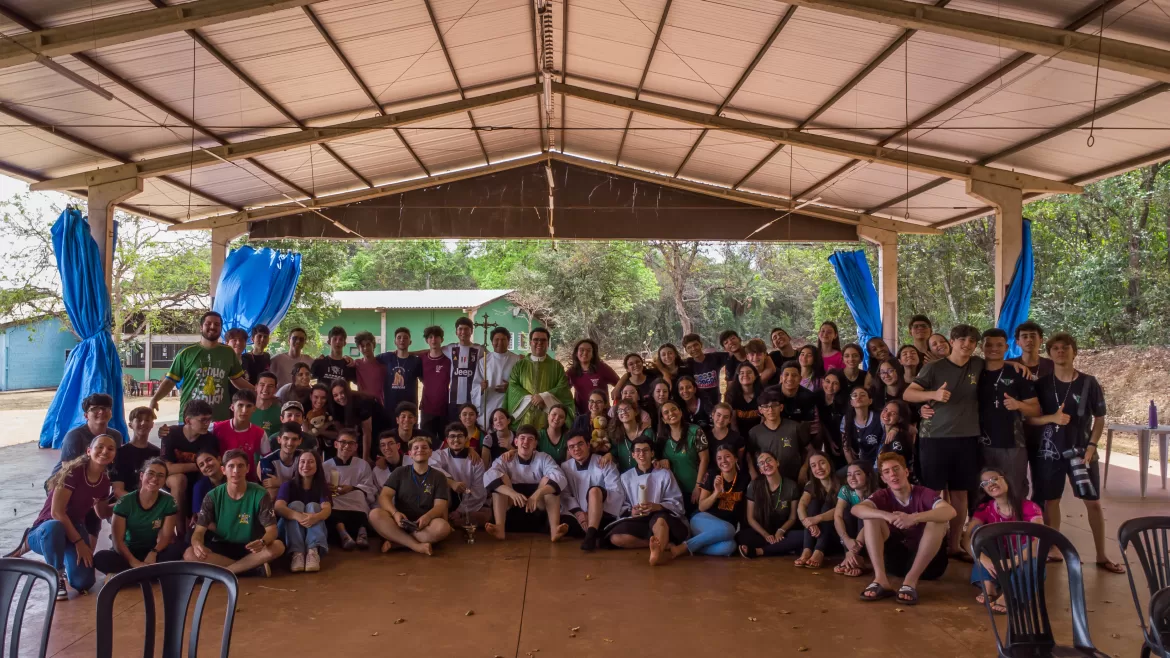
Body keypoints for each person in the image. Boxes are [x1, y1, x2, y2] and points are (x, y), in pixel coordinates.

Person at [1028, 332, 1123, 573]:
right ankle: (1053, 548)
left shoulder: (1089, 383)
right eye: (1056, 348)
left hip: (1082, 451)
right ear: (1049, 354)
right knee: (1051, 500)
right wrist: (1052, 418)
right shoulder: (1041, 385)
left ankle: (1101, 555)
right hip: (1050, 452)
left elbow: (1099, 418)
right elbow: (1031, 419)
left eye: (1065, 347)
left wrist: (1092, 446)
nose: (1060, 351)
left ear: (1074, 352)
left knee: (1093, 502)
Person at [903, 324, 985, 559]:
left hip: (967, 438)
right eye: (962, 340)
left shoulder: (978, 364)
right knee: (932, 492)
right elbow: (908, 393)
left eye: (971, 341)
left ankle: (954, 544)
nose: (966, 345)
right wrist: (933, 395)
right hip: (935, 438)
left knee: (960, 493)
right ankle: (928, 544)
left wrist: (1018, 365)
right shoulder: (934, 368)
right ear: (952, 341)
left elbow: (1000, 364)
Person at [21, 434, 116, 599]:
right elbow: (57, 513)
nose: (104, 451)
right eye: (99, 447)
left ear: (114, 455)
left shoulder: (104, 482)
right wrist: (79, 542)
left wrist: (128, 502)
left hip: (73, 528)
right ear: (89, 451)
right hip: (49, 526)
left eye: (110, 448)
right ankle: (55, 574)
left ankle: (63, 557)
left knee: (83, 582)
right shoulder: (74, 472)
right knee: (54, 527)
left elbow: (101, 513)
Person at [854, 453, 955, 605]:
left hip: (929, 566)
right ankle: (880, 580)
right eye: (887, 472)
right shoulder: (882, 495)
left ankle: (910, 581)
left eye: (896, 469)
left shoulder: (924, 493)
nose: (892, 474)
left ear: (906, 472)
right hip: (896, 562)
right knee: (871, 516)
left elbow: (950, 511)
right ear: (883, 479)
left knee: (937, 520)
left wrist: (914, 518)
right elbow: (856, 509)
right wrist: (887, 516)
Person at [185, 449, 285, 577]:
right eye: (231, 466)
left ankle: (227, 573)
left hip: (252, 547)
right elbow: (199, 531)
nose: (236, 470)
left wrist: (262, 542)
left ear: (248, 468)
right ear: (223, 470)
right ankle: (251, 569)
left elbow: (272, 530)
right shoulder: (212, 496)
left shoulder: (260, 493)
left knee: (278, 546)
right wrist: (197, 543)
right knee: (190, 554)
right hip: (222, 546)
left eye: (240, 466)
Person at [962, 466, 1045, 613]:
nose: (991, 483)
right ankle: (989, 586)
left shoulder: (1029, 507)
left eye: (994, 479)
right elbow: (966, 539)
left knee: (1032, 554)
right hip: (996, 564)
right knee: (977, 532)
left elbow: (1040, 540)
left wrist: (1015, 561)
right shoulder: (984, 509)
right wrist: (983, 559)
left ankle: (1010, 596)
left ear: (1006, 480)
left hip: (1022, 561)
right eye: (985, 483)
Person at [152, 311, 251, 421]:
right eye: (208, 323)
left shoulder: (228, 352)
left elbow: (237, 380)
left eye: (217, 324)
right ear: (201, 327)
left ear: (220, 328)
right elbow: (170, 381)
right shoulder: (185, 353)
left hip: (220, 418)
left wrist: (257, 392)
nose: (212, 327)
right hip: (191, 419)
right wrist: (154, 399)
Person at [975, 328, 1040, 497]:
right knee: (980, 492)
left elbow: (1035, 409)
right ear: (982, 347)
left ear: (1006, 347)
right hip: (977, 443)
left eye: (999, 345)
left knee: (1014, 489)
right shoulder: (973, 371)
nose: (994, 348)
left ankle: (1016, 516)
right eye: (989, 345)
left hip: (1011, 444)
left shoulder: (1018, 374)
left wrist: (1018, 404)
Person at [607, 437, 689, 566]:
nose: (641, 454)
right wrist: (631, 511)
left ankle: (657, 553)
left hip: (661, 515)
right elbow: (621, 504)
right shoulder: (625, 477)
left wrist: (658, 506)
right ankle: (660, 543)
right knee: (615, 538)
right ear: (633, 454)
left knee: (660, 522)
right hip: (638, 519)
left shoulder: (664, 474)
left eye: (646, 450)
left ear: (652, 453)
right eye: (638, 451)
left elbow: (676, 501)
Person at [93, 458, 184, 575]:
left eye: (160, 475)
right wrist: (134, 562)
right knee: (100, 558)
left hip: (151, 551)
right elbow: (117, 541)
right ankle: (145, 571)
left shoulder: (169, 501)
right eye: (150, 473)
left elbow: (166, 535)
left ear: (165, 480)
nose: (155, 478)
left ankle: (134, 573)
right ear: (141, 476)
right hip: (127, 552)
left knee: (177, 550)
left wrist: (154, 552)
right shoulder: (125, 502)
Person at [483, 426, 570, 542]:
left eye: (530, 439)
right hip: (511, 507)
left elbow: (560, 477)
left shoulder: (543, 458)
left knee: (549, 480)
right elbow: (489, 475)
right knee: (501, 478)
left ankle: (554, 529)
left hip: (537, 507)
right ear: (516, 442)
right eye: (522, 438)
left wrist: (538, 493)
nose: (526, 442)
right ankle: (499, 528)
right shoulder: (506, 458)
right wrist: (512, 493)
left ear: (535, 444)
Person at [669, 444, 746, 559]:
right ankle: (684, 547)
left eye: (727, 456)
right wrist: (716, 493)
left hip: (723, 530)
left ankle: (696, 545)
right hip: (702, 520)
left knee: (730, 546)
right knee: (729, 529)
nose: (723, 461)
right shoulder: (712, 475)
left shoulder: (744, 479)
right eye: (719, 458)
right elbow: (701, 507)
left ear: (735, 458)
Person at [558, 431, 624, 551]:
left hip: (603, 513)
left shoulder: (603, 462)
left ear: (588, 445)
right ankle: (595, 533)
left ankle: (590, 535)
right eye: (572, 447)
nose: (576, 449)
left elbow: (616, 492)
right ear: (568, 450)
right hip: (578, 515)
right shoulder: (565, 467)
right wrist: (579, 513)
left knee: (594, 491)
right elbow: (565, 495)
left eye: (580, 444)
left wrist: (593, 512)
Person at [161, 400, 217, 527]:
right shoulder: (171, 434)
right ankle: (179, 528)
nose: (207, 424)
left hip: (198, 479)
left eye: (209, 419)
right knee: (179, 479)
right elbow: (167, 468)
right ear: (188, 421)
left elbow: (210, 468)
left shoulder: (210, 439)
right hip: (173, 480)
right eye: (202, 420)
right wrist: (197, 466)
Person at [735, 450, 801, 559]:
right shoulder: (754, 486)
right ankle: (783, 548)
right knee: (741, 537)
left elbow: (792, 517)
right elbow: (750, 518)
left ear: (777, 462)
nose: (766, 464)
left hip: (784, 531)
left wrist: (781, 531)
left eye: (769, 460)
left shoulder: (791, 486)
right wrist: (766, 535)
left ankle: (760, 551)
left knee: (803, 536)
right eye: (761, 463)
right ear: (760, 470)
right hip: (763, 532)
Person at [505, 327, 574, 429]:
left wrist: (544, 397)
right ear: (530, 342)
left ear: (548, 343)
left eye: (543, 340)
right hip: (524, 416)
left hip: (547, 417)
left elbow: (563, 387)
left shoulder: (556, 366)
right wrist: (531, 399)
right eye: (536, 340)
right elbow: (513, 385)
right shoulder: (520, 365)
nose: (539, 343)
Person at [274, 451, 332, 572]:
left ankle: (313, 551)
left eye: (311, 462)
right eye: (302, 462)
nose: (306, 465)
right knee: (296, 504)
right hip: (288, 531)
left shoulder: (322, 486)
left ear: (317, 465)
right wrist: (297, 516)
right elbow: (278, 507)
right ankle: (297, 553)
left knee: (313, 506)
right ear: (297, 464)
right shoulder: (287, 485)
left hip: (313, 530)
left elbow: (327, 509)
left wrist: (315, 517)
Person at [324, 428, 378, 550]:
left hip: (355, 499)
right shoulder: (325, 466)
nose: (347, 446)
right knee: (329, 501)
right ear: (336, 444)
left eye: (351, 443)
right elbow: (319, 486)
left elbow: (369, 487)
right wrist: (327, 488)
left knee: (359, 495)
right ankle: (343, 534)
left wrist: (352, 488)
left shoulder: (362, 464)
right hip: (336, 498)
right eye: (343, 442)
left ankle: (362, 532)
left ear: (355, 447)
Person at [431, 423, 490, 528]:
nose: (456, 440)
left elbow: (478, 491)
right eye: (452, 436)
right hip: (445, 499)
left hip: (467, 499)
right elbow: (431, 470)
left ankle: (455, 521)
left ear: (466, 439)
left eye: (460, 436)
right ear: (447, 440)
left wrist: (460, 511)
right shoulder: (440, 455)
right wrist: (451, 483)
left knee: (484, 516)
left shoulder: (476, 461)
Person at [51, 393, 123, 477]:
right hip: (63, 480)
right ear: (86, 415)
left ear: (111, 413)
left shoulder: (116, 436)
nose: (101, 411)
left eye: (105, 408)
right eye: (95, 409)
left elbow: (114, 464)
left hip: (96, 478)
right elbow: (68, 468)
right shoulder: (74, 436)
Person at [747, 389, 811, 481]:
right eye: (766, 406)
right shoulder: (754, 432)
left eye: (774, 405)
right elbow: (749, 455)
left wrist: (804, 468)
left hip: (794, 477)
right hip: (768, 479)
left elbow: (810, 450)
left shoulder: (795, 427)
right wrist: (752, 471)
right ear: (760, 410)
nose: (770, 410)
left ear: (781, 407)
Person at [656, 400, 709, 508]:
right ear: (663, 419)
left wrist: (698, 486)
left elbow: (705, 459)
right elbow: (655, 460)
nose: (671, 413)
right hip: (673, 494)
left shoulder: (695, 431)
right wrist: (660, 461)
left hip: (695, 488)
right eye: (666, 412)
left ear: (680, 412)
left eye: (674, 409)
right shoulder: (661, 438)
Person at [794, 451, 841, 568]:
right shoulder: (812, 484)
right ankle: (807, 549)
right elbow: (801, 506)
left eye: (822, 463)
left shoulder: (842, 482)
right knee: (813, 504)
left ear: (830, 463)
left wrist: (818, 518)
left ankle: (819, 552)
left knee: (827, 506)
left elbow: (841, 509)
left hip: (837, 535)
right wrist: (809, 524)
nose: (818, 468)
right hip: (817, 535)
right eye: (814, 465)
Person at [211, 390, 266, 480]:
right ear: (232, 407)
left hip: (248, 480)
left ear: (254, 409)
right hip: (221, 479)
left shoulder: (260, 433)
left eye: (249, 406)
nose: (244, 410)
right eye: (240, 405)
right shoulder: (215, 428)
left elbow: (267, 459)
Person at [833, 461, 876, 577]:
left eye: (857, 474)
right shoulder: (845, 490)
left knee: (863, 513)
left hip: (869, 538)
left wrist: (853, 551)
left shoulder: (876, 492)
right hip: (849, 542)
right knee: (846, 513)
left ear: (867, 475)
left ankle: (855, 560)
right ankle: (851, 559)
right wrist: (846, 539)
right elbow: (837, 516)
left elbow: (870, 523)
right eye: (849, 474)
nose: (852, 478)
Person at [329, 381, 387, 461]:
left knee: (371, 455)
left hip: (380, 426)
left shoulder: (362, 402)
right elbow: (343, 432)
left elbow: (367, 433)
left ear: (348, 391)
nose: (340, 397)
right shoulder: (335, 406)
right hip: (362, 430)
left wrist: (365, 459)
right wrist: (354, 454)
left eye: (342, 392)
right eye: (335, 395)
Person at [111, 406, 160, 498]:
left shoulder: (156, 453)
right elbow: (118, 491)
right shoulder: (120, 453)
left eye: (147, 420)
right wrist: (139, 502)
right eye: (139, 420)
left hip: (150, 499)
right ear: (130, 425)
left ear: (152, 425)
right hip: (126, 500)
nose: (143, 423)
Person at [443, 317, 485, 420]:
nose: (463, 332)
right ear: (456, 332)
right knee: (454, 427)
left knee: (471, 427)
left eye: (466, 329)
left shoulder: (479, 349)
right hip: (454, 400)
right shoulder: (450, 348)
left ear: (471, 331)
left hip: (473, 398)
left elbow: (494, 359)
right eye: (460, 329)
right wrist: (411, 353)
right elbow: (432, 351)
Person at [376, 327, 424, 415]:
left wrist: (424, 399)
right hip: (389, 406)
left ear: (410, 342)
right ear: (395, 341)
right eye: (399, 337)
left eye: (405, 338)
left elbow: (425, 382)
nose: (402, 340)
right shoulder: (386, 357)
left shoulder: (416, 361)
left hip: (409, 406)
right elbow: (369, 361)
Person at [417, 325, 453, 439]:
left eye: (436, 337)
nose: (433, 340)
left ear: (442, 339)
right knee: (426, 441)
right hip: (427, 408)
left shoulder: (449, 360)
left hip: (444, 408)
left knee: (444, 442)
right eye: (430, 337)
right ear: (427, 340)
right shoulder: (421, 359)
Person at [567, 338, 619, 414]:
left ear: (593, 354)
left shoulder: (602, 368)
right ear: (576, 353)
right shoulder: (572, 371)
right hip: (581, 415)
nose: (585, 353)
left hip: (602, 414)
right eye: (581, 350)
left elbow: (619, 383)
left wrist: (616, 390)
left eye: (589, 350)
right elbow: (562, 389)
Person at [483, 327, 522, 424]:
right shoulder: (484, 361)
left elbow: (524, 384)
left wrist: (511, 388)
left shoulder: (517, 360)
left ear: (508, 341)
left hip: (510, 403)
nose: (500, 342)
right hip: (489, 403)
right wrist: (481, 388)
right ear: (492, 342)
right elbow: (475, 386)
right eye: (496, 339)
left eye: (503, 339)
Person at [606, 399, 655, 473]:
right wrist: (609, 454)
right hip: (625, 476)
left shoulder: (647, 432)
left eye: (627, 409)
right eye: (620, 410)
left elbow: (655, 455)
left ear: (635, 412)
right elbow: (614, 452)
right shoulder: (616, 433)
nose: (624, 412)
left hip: (647, 474)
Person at [259, 422, 304, 500]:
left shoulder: (304, 457)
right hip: (278, 503)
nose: (290, 443)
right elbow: (270, 493)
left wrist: (280, 483)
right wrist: (295, 485)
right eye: (286, 438)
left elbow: (308, 487)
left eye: (294, 439)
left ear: (300, 441)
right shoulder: (267, 460)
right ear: (279, 439)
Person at [841, 387, 883, 467]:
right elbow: (846, 447)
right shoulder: (846, 419)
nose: (858, 397)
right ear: (851, 402)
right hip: (859, 463)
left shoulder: (880, 416)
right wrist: (853, 467)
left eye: (862, 395)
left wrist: (894, 429)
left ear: (870, 401)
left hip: (880, 461)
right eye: (855, 395)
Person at [705, 403, 746, 482]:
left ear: (730, 420)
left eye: (726, 417)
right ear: (713, 415)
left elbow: (739, 460)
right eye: (718, 415)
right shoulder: (705, 436)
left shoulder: (736, 437)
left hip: (731, 476)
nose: (721, 419)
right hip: (710, 477)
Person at [682, 333, 724, 409]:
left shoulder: (714, 357)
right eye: (689, 347)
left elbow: (733, 354)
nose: (693, 349)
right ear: (686, 350)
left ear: (701, 344)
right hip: (698, 405)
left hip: (716, 403)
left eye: (695, 345)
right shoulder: (687, 363)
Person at [879, 400, 918, 479]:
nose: (886, 414)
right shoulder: (886, 429)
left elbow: (894, 469)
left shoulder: (897, 438)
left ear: (900, 419)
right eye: (885, 410)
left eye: (893, 413)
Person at [814, 371, 846, 464]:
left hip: (842, 435)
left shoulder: (844, 401)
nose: (830, 386)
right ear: (823, 381)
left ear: (841, 385)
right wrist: (829, 440)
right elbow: (820, 421)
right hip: (824, 433)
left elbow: (846, 425)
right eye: (827, 381)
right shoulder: (816, 396)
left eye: (835, 383)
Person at [725, 361, 763, 435]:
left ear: (755, 376)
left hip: (759, 433)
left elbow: (763, 421)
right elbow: (733, 424)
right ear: (738, 377)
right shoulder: (731, 395)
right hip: (737, 434)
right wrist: (738, 438)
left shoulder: (763, 394)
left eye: (749, 372)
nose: (745, 375)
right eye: (742, 373)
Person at [775, 360, 817, 425]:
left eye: (794, 375)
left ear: (800, 379)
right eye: (786, 374)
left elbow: (807, 424)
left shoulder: (809, 396)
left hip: (798, 429)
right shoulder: (770, 393)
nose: (790, 378)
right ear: (781, 378)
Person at [190, 450, 225, 524]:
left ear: (219, 459)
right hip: (213, 527)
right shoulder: (199, 487)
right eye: (201, 465)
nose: (206, 465)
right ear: (200, 470)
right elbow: (202, 519)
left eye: (209, 460)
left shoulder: (233, 478)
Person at [305, 384, 339, 452]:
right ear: (311, 396)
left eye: (323, 398)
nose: (319, 401)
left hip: (330, 445)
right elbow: (307, 434)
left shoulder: (331, 409)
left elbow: (337, 434)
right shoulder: (305, 408)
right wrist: (326, 425)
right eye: (316, 397)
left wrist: (318, 431)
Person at [353, 331, 386, 401]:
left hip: (379, 403)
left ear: (373, 345)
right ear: (358, 348)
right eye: (362, 346)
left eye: (368, 345)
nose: (365, 348)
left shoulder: (382, 365)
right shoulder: (356, 363)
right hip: (362, 404)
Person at [250, 371, 282, 438]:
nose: (265, 389)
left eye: (270, 386)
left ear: (275, 390)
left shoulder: (280, 413)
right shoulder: (245, 409)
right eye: (262, 385)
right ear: (256, 387)